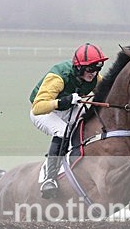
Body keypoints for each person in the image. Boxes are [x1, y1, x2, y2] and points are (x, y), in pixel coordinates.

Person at [29, 42, 108, 198]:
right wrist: (62, 102)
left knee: (88, 120)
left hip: (67, 108)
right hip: (44, 112)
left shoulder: (95, 78)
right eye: (90, 68)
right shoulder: (58, 77)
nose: (93, 73)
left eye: (97, 68)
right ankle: (49, 178)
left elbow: (108, 93)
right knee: (62, 130)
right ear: (79, 67)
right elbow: (38, 107)